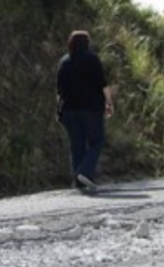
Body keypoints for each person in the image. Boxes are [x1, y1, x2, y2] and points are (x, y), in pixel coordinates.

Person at [56, 31, 114, 193]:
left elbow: (59, 91)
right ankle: (84, 172)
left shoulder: (64, 62)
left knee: (76, 145)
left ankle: (79, 181)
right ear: (87, 43)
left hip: (68, 110)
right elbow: (103, 84)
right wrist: (109, 103)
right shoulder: (92, 59)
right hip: (90, 108)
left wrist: (58, 110)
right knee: (96, 141)